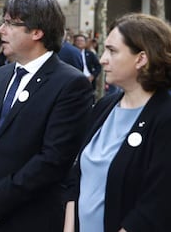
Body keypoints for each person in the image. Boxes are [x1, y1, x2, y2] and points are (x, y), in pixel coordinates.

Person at [0, 0, 93, 231]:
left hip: (29, 218)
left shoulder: (71, 85)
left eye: (10, 23)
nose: (1, 30)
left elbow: (53, 160)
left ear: (36, 32)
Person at [64, 13, 171, 232]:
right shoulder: (105, 107)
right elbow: (76, 176)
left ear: (141, 58)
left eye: (112, 51)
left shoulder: (164, 117)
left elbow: (157, 203)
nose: (103, 59)